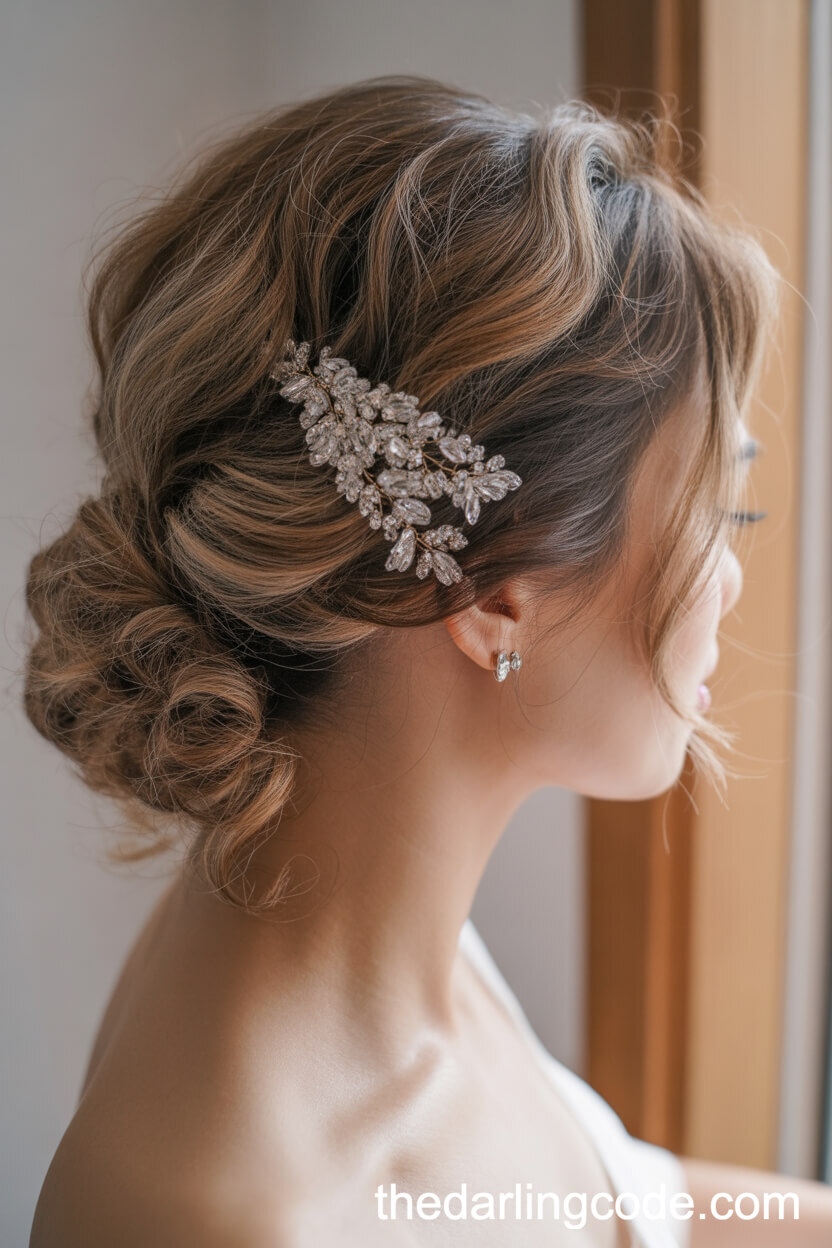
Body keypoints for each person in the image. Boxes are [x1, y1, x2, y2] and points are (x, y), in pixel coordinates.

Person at [23, 75, 832, 1245]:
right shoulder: (231, 1217)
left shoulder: (360, 909)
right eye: (721, 517)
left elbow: (615, 1207)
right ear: (494, 593)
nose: (731, 580)